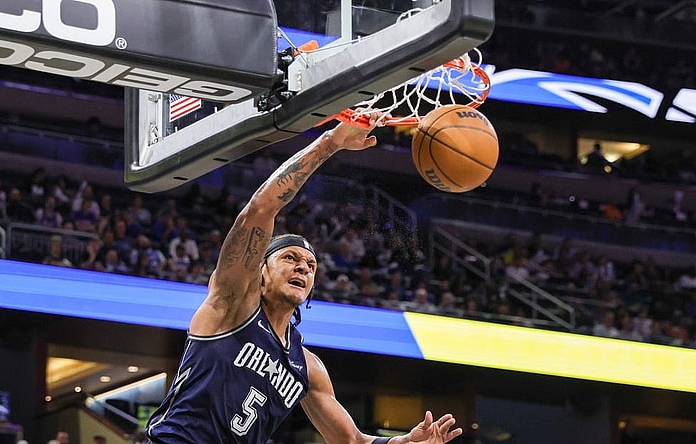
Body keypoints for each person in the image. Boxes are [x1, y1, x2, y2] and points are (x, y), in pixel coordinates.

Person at [145, 118, 462, 443]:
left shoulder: (306, 367)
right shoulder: (231, 306)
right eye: (290, 259)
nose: (302, 268)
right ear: (262, 272)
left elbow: (351, 440)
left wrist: (404, 442)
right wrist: (330, 143)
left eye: (310, 265)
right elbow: (261, 208)